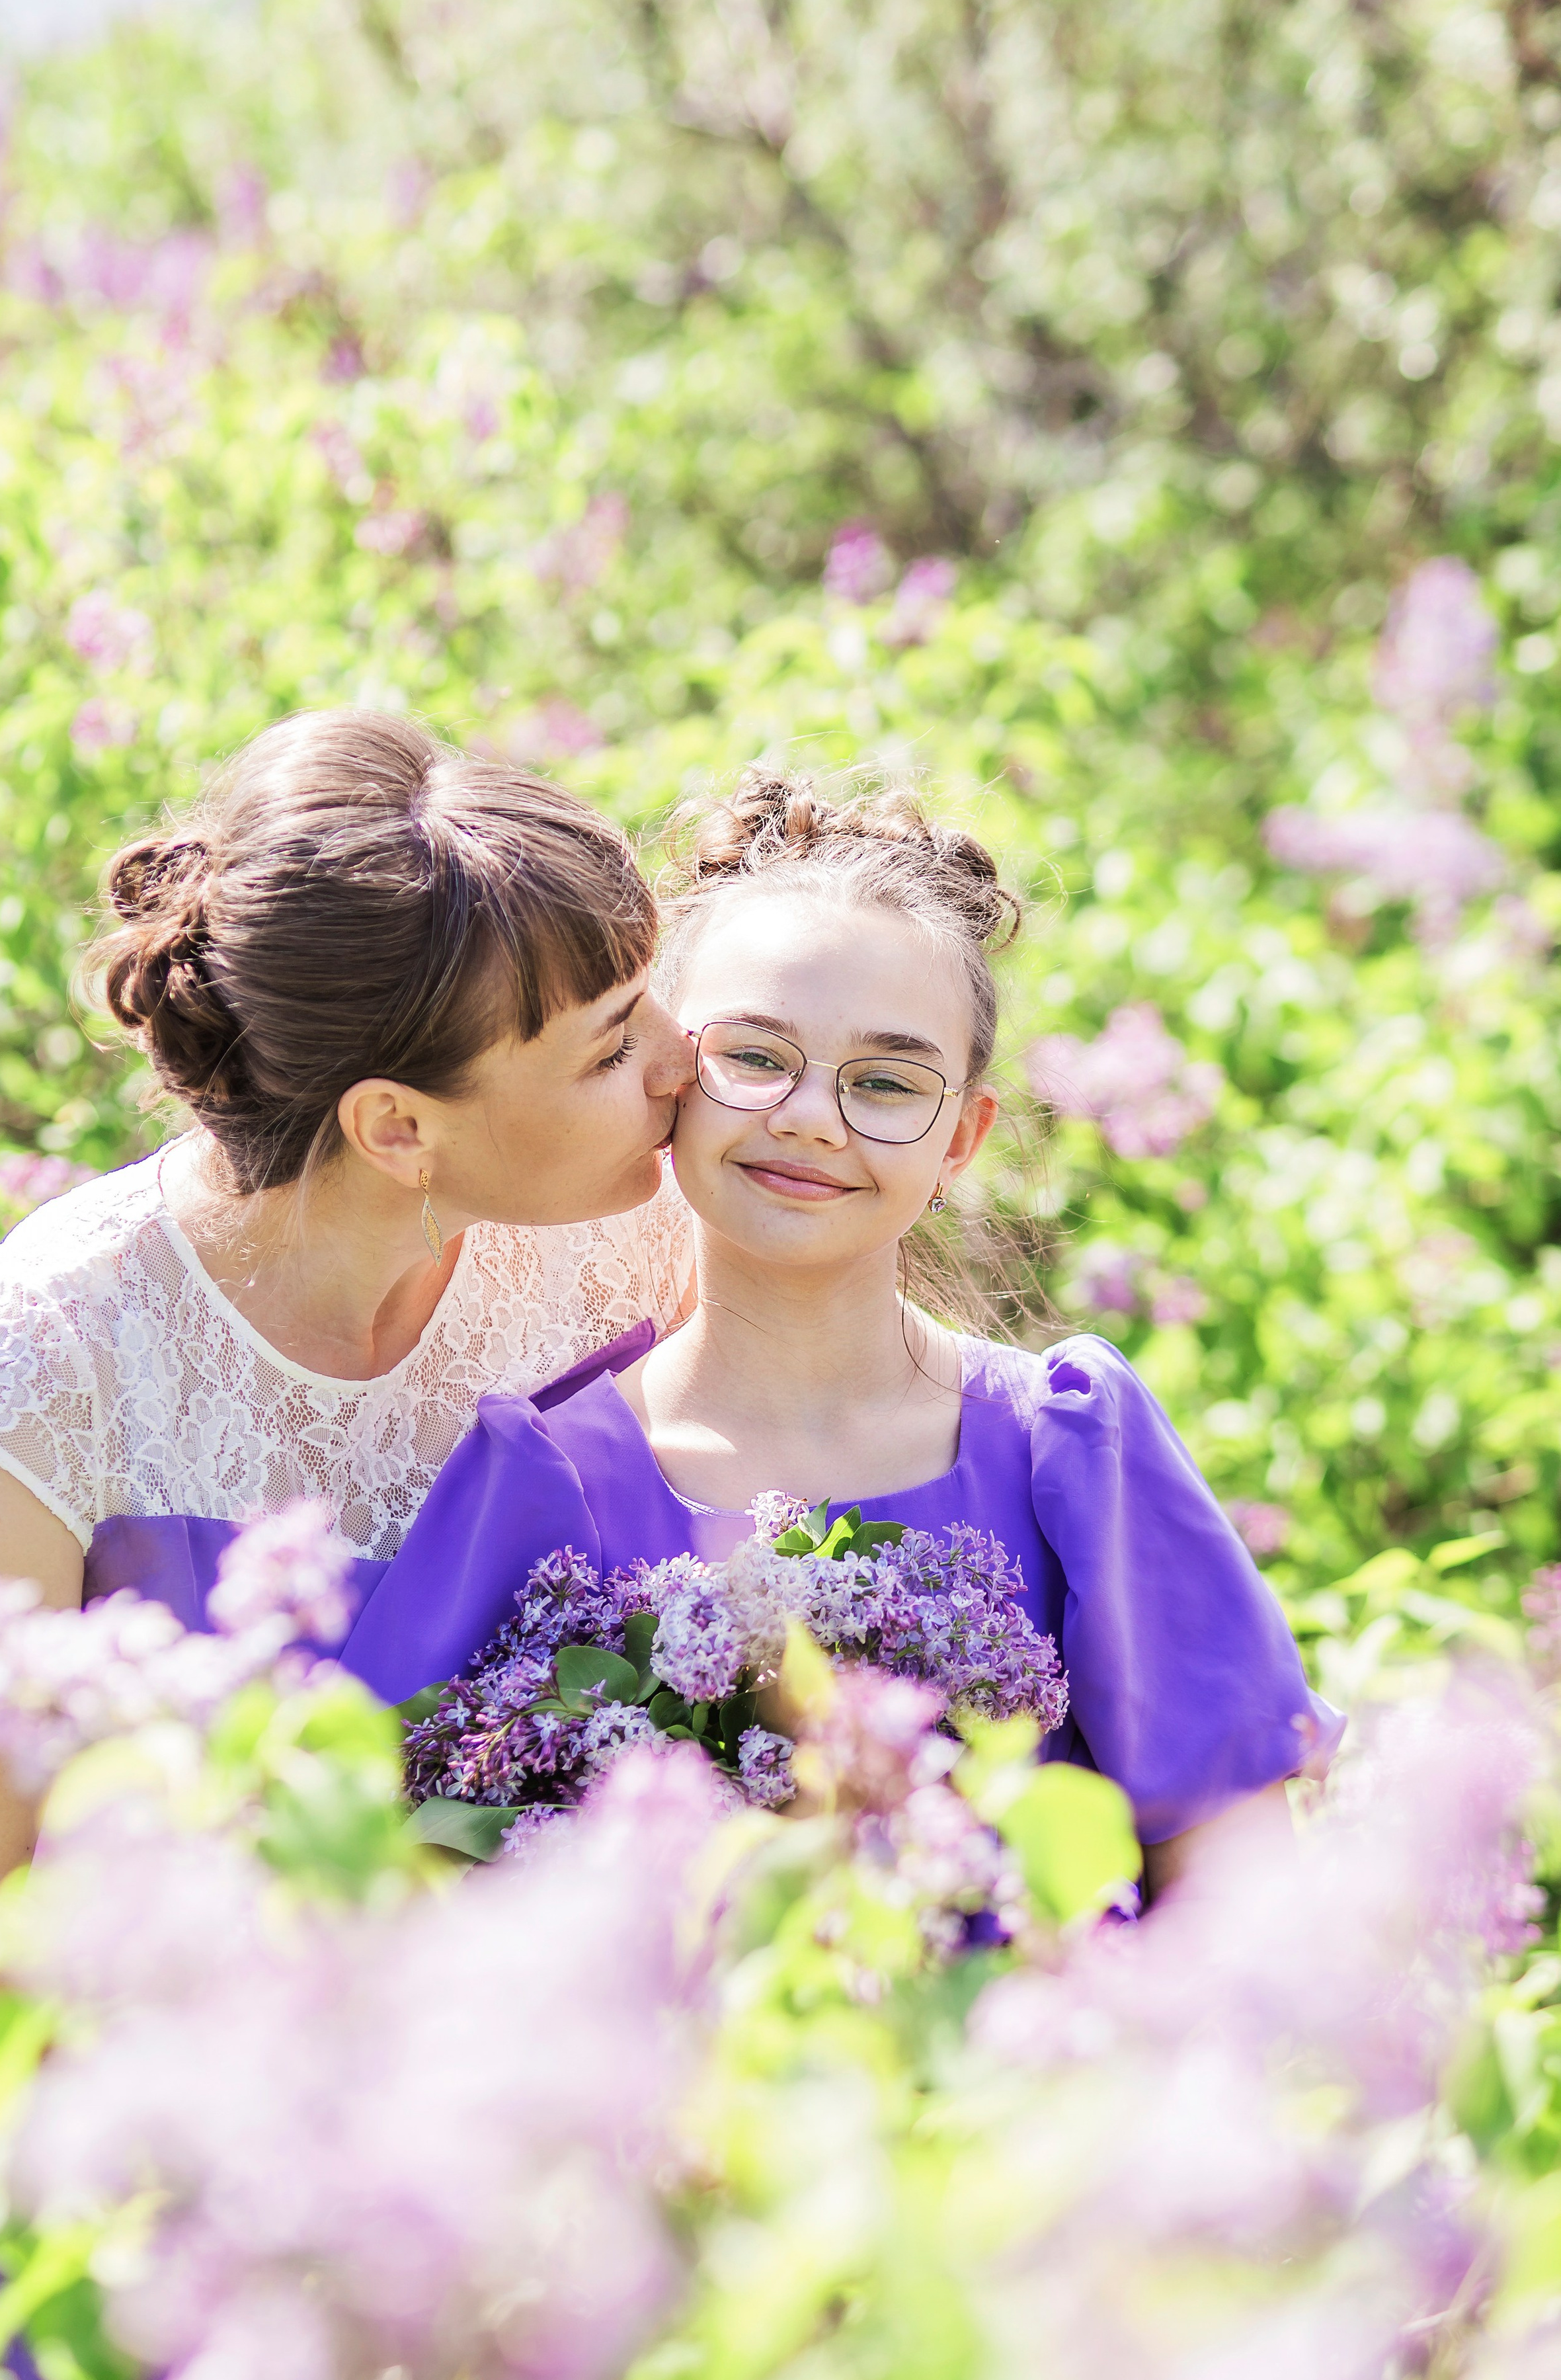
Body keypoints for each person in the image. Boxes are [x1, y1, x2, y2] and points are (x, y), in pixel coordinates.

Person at [344, 774, 1341, 1887]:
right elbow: (388, 1875)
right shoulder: (542, 1474)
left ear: (963, 1138)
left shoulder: (1068, 1447)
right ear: (672, 1072)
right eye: (758, 1059)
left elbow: (1236, 1875)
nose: (812, 1118)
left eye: (885, 1082)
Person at [0, 708, 698, 1961]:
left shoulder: (638, 1242)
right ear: (398, 1130)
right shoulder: (46, 1359)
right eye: (612, 1045)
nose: (682, 1060)